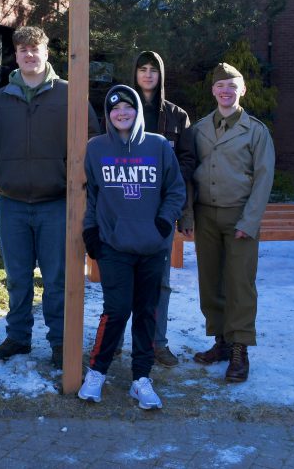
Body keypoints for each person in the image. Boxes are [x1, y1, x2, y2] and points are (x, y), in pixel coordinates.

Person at [0, 25, 99, 369]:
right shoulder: (1, 99)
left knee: (57, 278)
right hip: (12, 204)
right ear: (16, 55)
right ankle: (18, 336)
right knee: (17, 277)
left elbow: (92, 138)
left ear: (47, 53)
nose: (29, 55)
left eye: (35, 49)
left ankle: (60, 341)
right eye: (22, 50)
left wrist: (68, 176)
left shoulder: (69, 95)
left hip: (56, 204)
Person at [78, 85, 185, 409]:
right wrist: (91, 231)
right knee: (117, 310)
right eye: (114, 109)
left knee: (146, 312)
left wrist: (164, 223)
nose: (121, 113)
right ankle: (97, 371)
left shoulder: (158, 146)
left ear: (137, 111)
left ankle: (141, 378)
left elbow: (176, 190)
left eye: (127, 107)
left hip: (152, 245)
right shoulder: (96, 148)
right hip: (114, 245)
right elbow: (92, 194)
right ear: (108, 115)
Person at [190, 63, 275, 383]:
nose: (226, 91)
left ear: (243, 91)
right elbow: (189, 174)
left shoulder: (255, 131)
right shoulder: (199, 129)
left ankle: (240, 348)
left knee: (240, 283)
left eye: (232, 86)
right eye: (221, 86)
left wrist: (250, 220)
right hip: (206, 215)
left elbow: (264, 178)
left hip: (239, 216)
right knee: (210, 282)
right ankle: (221, 342)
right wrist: (188, 215)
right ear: (213, 90)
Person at [130, 51, 196, 367]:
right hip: (126, 208)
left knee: (161, 281)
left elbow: (187, 161)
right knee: (121, 279)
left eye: (153, 70)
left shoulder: (177, 116)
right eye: (142, 69)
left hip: (161, 213)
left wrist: (174, 199)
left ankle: (157, 342)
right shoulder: (121, 110)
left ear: (161, 75)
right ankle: (114, 342)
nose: (147, 74)